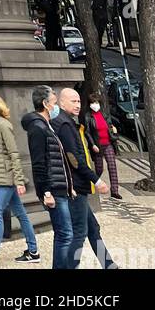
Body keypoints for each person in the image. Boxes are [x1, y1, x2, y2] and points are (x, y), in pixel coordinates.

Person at [0, 91, 41, 265]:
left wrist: (19, 180)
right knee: (20, 213)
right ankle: (33, 251)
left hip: (7, 177)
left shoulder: (3, 125)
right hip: (2, 177)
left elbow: (13, 153)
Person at [55, 87, 116, 270]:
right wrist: (96, 180)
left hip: (78, 185)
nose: (77, 105)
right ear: (61, 102)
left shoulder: (69, 123)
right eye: (73, 101)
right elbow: (75, 159)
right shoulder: (64, 125)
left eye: (79, 101)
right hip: (76, 186)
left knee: (92, 228)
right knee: (79, 233)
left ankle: (109, 265)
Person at [22, 85, 75, 269]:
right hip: (53, 188)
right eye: (54, 100)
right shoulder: (38, 128)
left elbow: (57, 158)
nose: (56, 104)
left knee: (64, 233)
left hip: (59, 187)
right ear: (45, 104)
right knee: (65, 234)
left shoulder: (46, 126)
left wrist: (69, 186)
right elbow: (39, 163)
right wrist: (46, 192)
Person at [82, 93, 121, 200]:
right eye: (93, 103)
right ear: (89, 104)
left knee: (112, 166)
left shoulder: (104, 114)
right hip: (98, 146)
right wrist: (93, 144)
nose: (95, 104)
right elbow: (88, 132)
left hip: (108, 144)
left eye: (97, 102)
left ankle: (115, 191)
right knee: (99, 169)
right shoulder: (88, 116)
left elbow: (109, 128)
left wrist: (115, 134)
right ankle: (92, 184)